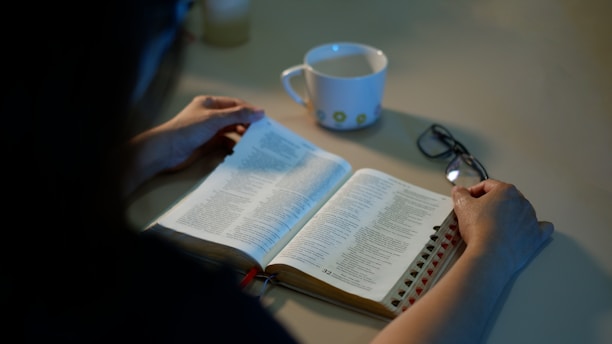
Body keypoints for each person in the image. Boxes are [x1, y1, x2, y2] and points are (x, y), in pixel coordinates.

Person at [1, 1, 553, 343]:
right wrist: (491, 254)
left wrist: (144, 153)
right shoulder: (168, 307)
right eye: (175, 14)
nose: (187, 37)